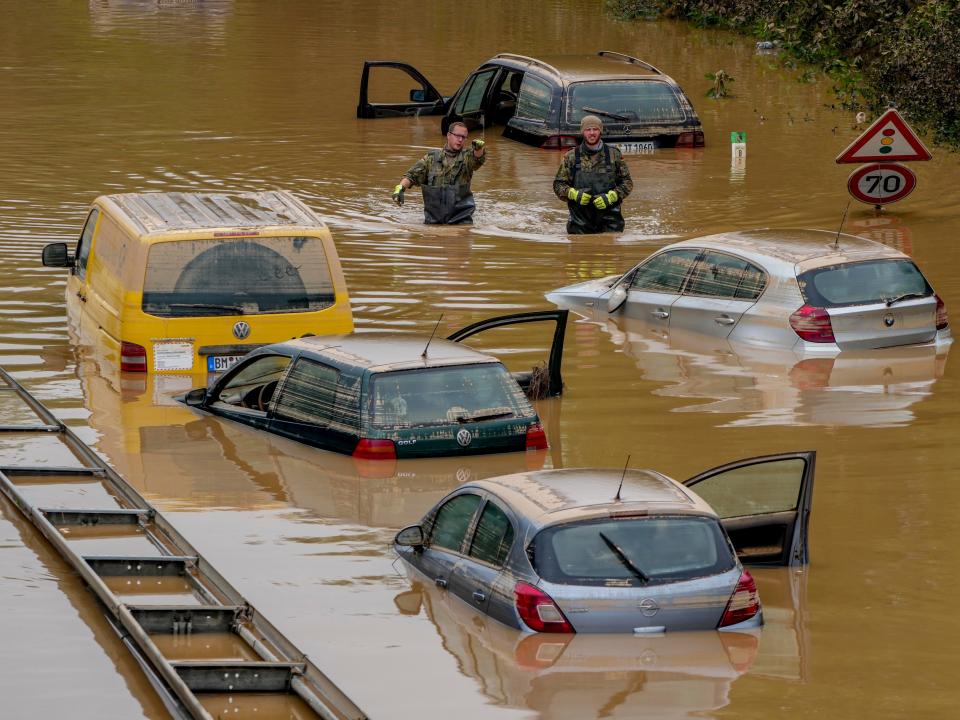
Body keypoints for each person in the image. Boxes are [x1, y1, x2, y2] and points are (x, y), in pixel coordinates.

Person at [392, 121, 486, 224]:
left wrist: (479, 148)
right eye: (457, 136)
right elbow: (412, 176)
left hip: (461, 221)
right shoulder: (431, 158)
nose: (460, 140)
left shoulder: (467, 158)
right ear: (449, 135)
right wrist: (400, 188)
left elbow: (477, 159)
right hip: (433, 220)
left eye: (463, 137)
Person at [553, 115, 633, 234]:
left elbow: (627, 183)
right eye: (588, 129)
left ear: (600, 131)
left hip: (610, 222)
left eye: (595, 129)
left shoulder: (614, 155)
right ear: (582, 132)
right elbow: (558, 185)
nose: (591, 133)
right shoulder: (571, 156)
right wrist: (573, 194)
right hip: (579, 223)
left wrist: (613, 196)